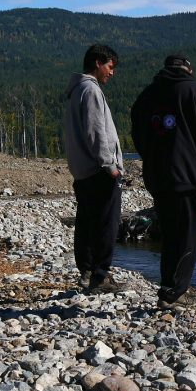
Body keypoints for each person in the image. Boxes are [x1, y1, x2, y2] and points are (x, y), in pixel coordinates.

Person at [131, 54, 196, 309]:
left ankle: (167, 286)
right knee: (187, 235)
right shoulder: (195, 91)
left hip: (158, 178)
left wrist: (152, 159)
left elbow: (137, 135)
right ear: (188, 69)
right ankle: (174, 292)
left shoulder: (146, 96)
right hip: (190, 177)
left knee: (170, 234)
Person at [63, 44, 125, 293]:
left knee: (87, 221)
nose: (112, 73)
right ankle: (100, 275)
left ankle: (87, 272)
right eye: (110, 67)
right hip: (98, 169)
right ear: (98, 63)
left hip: (82, 170)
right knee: (106, 223)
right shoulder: (91, 90)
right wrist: (110, 165)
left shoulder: (77, 89)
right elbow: (97, 131)